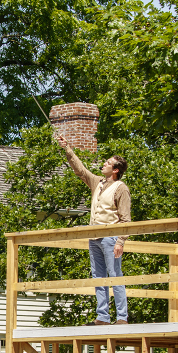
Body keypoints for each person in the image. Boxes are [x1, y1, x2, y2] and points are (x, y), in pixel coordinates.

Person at [55, 133, 131, 326]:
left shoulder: (121, 188)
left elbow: (125, 219)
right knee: (98, 276)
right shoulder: (97, 182)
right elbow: (81, 170)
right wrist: (67, 148)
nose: (103, 164)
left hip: (111, 237)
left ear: (115, 170)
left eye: (107, 163)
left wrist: (120, 242)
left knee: (115, 276)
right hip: (94, 236)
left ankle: (122, 317)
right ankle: (103, 316)